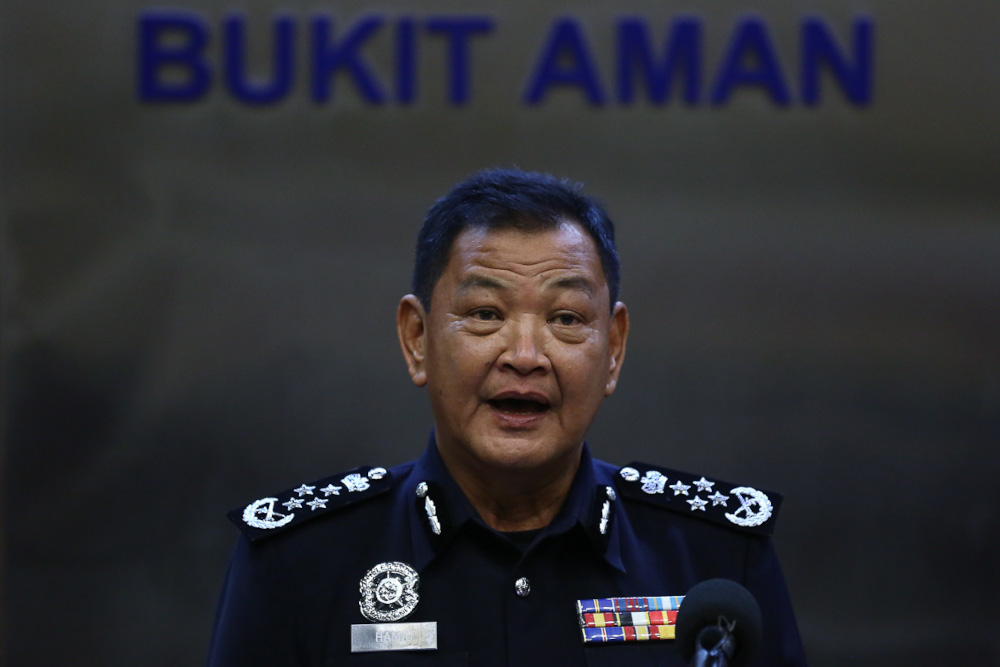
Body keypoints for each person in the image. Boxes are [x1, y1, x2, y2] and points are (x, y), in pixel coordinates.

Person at [208, 168, 807, 666]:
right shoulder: (297, 564)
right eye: (485, 314)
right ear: (417, 339)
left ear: (614, 349)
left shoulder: (716, 563)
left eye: (566, 319)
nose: (525, 355)